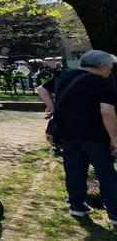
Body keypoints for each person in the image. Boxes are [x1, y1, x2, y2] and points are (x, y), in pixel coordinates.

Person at [37, 50, 117, 225]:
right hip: (95, 135)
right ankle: (114, 213)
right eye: (110, 67)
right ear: (101, 66)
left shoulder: (64, 76)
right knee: (106, 173)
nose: (111, 71)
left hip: (67, 133)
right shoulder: (103, 84)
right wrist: (114, 139)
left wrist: (51, 107)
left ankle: (77, 206)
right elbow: (107, 112)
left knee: (74, 170)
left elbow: (41, 89)